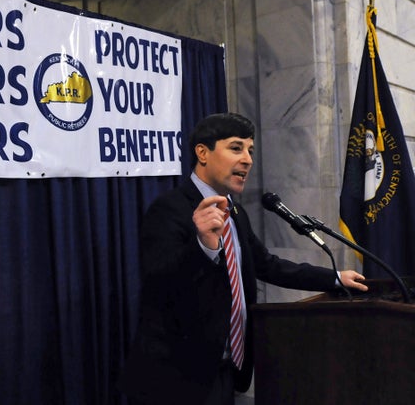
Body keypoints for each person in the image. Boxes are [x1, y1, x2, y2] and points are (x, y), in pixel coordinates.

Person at [118, 112, 367, 405]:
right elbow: (159, 283)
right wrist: (203, 247)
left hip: (225, 371)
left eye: (250, 150)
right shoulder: (169, 209)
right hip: (175, 378)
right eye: (236, 148)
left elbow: (267, 265)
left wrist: (334, 278)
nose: (248, 159)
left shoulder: (235, 212)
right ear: (203, 153)